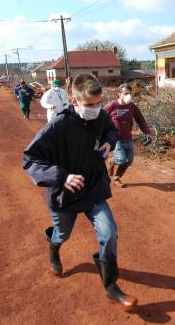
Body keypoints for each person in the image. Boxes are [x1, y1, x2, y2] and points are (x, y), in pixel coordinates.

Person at [23, 74, 137, 311]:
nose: (95, 109)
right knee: (62, 234)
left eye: (98, 103)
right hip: (65, 194)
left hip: (93, 188)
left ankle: (111, 287)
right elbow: (30, 159)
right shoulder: (57, 126)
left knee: (109, 233)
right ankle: (54, 248)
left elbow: (110, 130)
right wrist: (62, 177)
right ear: (74, 101)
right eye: (89, 105)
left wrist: (109, 141)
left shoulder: (101, 116)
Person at [103, 83, 153, 188]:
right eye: (125, 93)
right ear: (119, 94)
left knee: (129, 161)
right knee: (121, 160)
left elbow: (140, 119)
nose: (128, 96)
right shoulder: (112, 105)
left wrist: (147, 132)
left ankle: (117, 177)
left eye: (130, 94)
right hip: (116, 140)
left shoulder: (132, 106)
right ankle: (113, 162)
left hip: (128, 139)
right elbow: (100, 117)